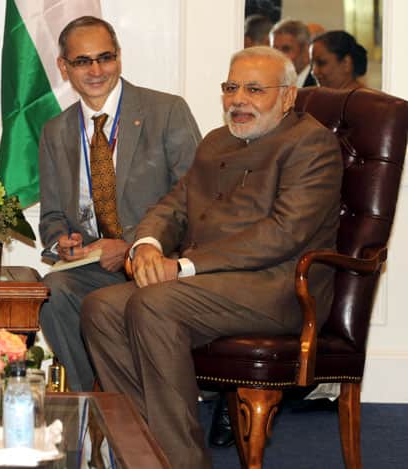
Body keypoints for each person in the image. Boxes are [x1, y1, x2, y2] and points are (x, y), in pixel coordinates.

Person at [80, 46, 343, 468]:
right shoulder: (218, 140)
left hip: (277, 288)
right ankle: (144, 454)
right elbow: (174, 206)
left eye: (255, 89)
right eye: (231, 87)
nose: (239, 100)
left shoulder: (311, 146)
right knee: (102, 307)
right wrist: (146, 245)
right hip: (208, 284)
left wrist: (182, 266)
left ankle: (182, 462)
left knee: (155, 304)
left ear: (288, 97)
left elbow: (282, 234)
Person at [37, 16, 200, 393]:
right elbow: (52, 217)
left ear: (119, 58)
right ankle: (91, 403)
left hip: (156, 259)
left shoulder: (166, 111)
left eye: (105, 58)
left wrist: (131, 243)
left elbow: (195, 199)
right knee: (53, 291)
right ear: (64, 67)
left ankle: (128, 409)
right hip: (93, 264)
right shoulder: (55, 131)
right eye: (82, 61)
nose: (96, 71)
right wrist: (62, 240)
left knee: (108, 305)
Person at [270, 19, 317, 87]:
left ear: (306, 50)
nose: (278, 56)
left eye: (286, 49)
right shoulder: (270, 83)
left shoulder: (318, 83)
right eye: (275, 49)